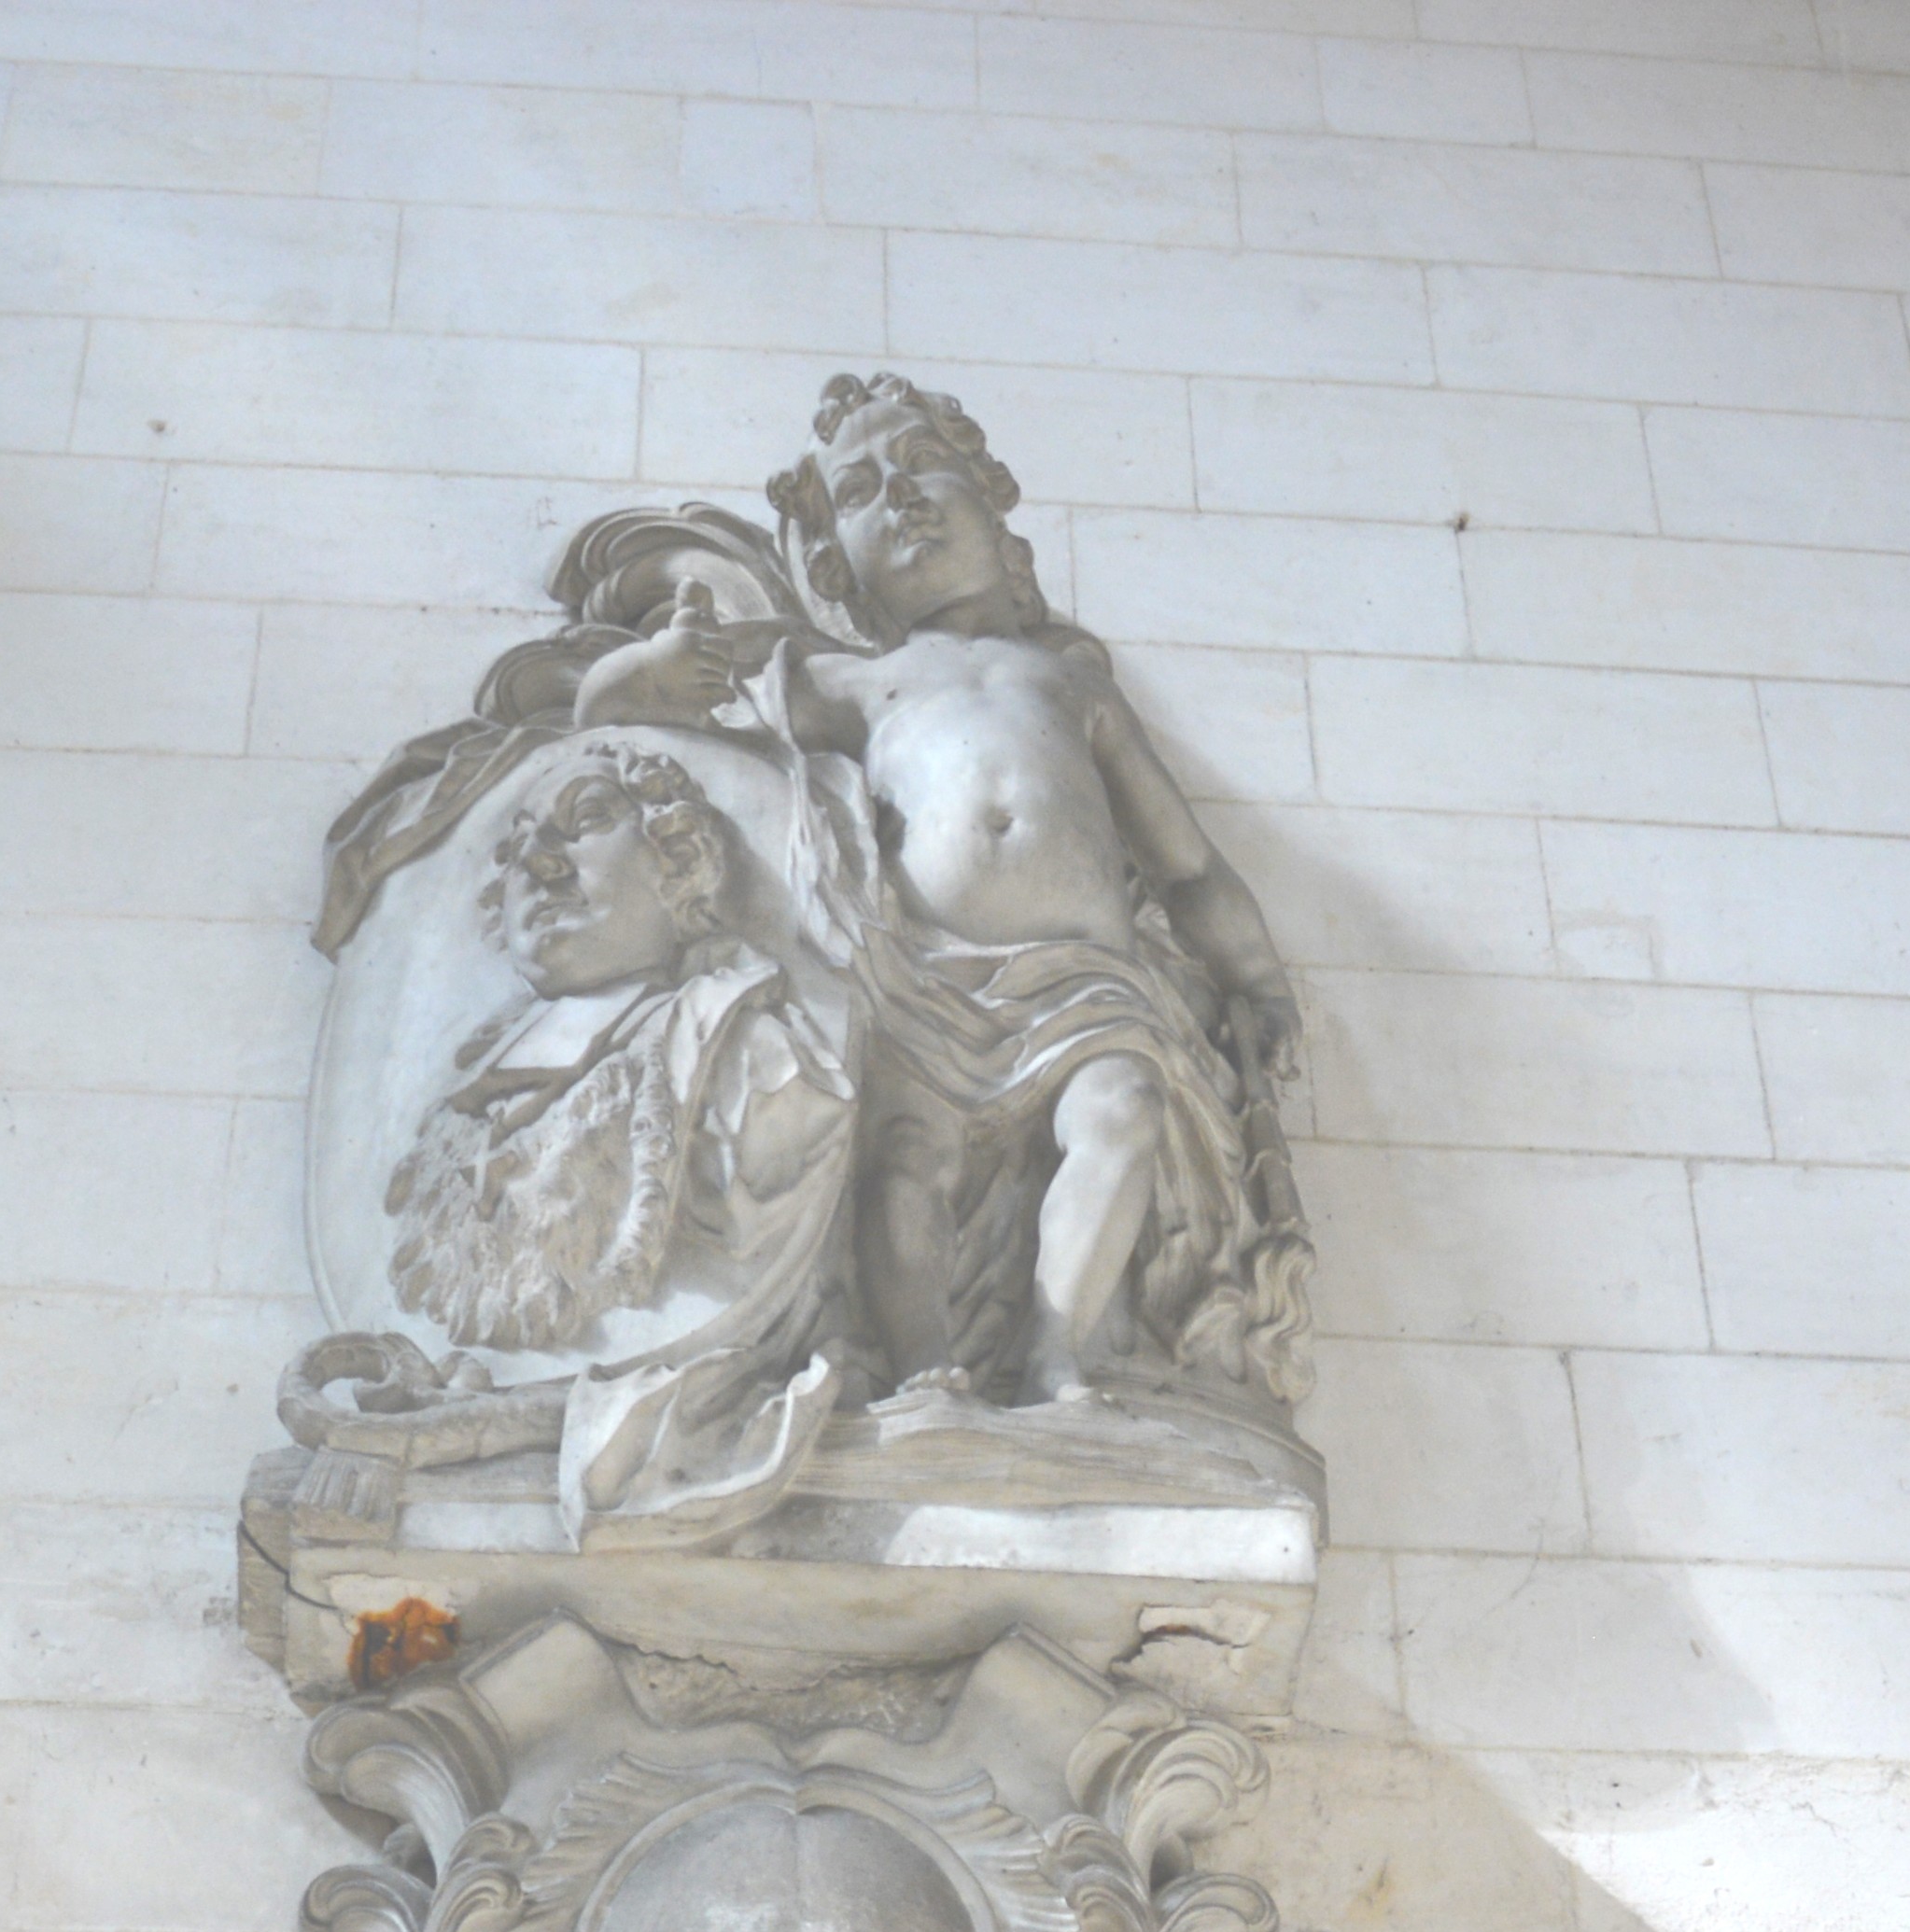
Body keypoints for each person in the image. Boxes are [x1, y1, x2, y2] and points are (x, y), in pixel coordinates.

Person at [572, 377, 1307, 1412]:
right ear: (838, 564)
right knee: (903, 1167)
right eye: (862, 491)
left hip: (1087, 980)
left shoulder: (1075, 687)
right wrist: (652, 668)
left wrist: (1259, 980)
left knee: (1126, 1110)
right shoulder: (852, 683)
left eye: (923, 466)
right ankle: (923, 1372)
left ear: (991, 502)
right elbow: (620, 724)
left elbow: (1187, 868)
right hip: (925, 977)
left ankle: (1057, 1351)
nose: (902, 498)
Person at [373, 744, 857, 1547]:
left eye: (587, 821)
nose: (539, 863)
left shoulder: (748, 1055)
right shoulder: (472, 1083)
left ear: (680, 862)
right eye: (517, 848)